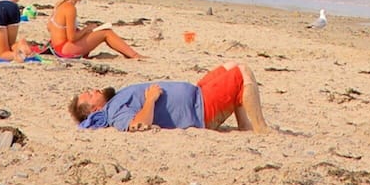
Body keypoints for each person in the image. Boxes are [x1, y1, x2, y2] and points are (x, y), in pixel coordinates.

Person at [68, 62, 271, 133]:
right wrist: (150, 99)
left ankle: (244, 125)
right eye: (91, 95)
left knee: (231, 65)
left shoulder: (115, 101)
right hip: (201, 110)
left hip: (198, 94)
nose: (95, 90)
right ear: (95, 110)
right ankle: (261, 127)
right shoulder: (114, 112)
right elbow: (138, 125)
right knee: (243, 72)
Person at [49, 0, 143, 59]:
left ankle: (131, 54)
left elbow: (49, 27)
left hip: (56, 47)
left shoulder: (59, 4)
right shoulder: (70, 9)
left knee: (97, 32)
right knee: (106, 32)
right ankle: (134, 55)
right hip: (65, 49)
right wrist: (86, 29)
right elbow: (72, 38)